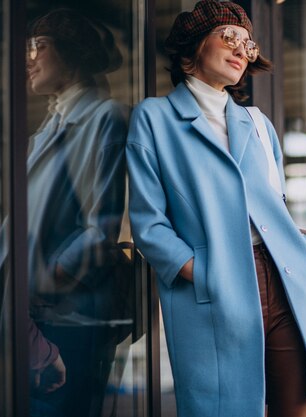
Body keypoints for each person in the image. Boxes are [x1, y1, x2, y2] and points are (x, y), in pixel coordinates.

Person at [126, 1, 306, 416]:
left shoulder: (258, 122)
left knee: (293, 407)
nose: (241, 49)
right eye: (229, 36)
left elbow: (274, 207)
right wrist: (205, 273)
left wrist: (305, 244)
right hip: (216, 286)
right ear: (192, 49)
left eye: (248, 43)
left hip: (281, 279)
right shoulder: (154, 118)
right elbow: (149, 225)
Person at [24, 8, 130, 417]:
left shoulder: (103, 118)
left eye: (39, 46)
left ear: (73, 53)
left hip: (71, 316)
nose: (28, 59)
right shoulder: (47, 129)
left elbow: (100, 229)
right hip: (44, 313)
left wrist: (39, 281)